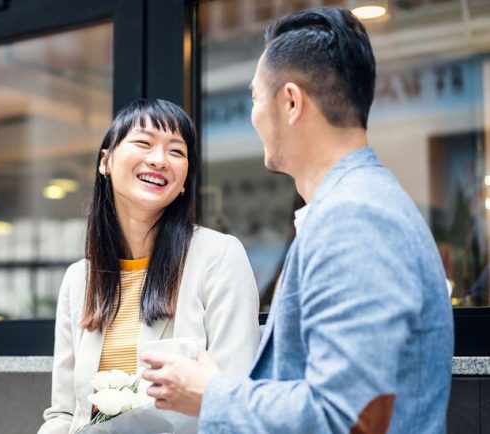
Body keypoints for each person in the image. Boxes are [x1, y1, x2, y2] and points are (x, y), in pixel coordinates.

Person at [141, 7, 453, 433]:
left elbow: (343, 417)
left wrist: (211, 394)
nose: (253, 116)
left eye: (254, 98)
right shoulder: (351, 207)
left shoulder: (355, 218)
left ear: (290, 102)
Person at [38, 99, 260, 434]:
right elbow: (64, 414)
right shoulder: (78, 280)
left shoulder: (218, 256)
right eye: (143, 143)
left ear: (185, 180)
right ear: (105, 161)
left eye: (176, 152)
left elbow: (233, 395)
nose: (158, 159)